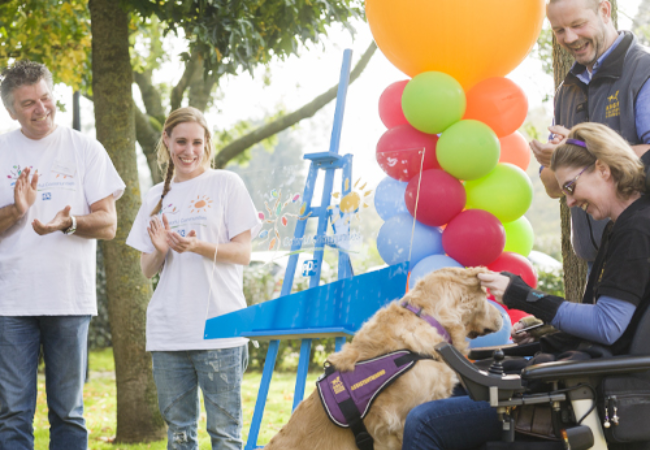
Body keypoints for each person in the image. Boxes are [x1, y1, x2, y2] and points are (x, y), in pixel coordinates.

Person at [403, 122, 650, 450]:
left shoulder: (636, 231)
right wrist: (547, 331)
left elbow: (607, 326)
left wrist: (525, 297)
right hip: (581, 375)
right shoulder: (619, 229)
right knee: (441, 389)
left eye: (571, 187)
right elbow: (607, 318)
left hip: (588, 389)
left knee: (423, 422)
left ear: (602, 169)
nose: (571, 202)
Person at [0, 61, 125, 449]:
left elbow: (108, 224)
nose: (41, 109)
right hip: (11, 302)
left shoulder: (84, 147)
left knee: (68, 412)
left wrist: (67, 225)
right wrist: (17, 211)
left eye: (45, 98)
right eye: (28, 104)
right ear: (10, 110)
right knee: (11, 413)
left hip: (69, 299)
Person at [126, 107, 260, 450]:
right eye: (181, 141)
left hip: (220, 328)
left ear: (207, 144)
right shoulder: (156, 196)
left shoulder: (226, 183)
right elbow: (146, 268)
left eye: (197, 142)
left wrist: (198, 245)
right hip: (169, 332)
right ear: (167, 141)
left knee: (225, 436)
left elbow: (243, 252)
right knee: (180, 436)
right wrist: (159, 249)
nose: (189, 150)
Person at [530, 0, 650, 266]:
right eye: (559, 30)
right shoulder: (566, 91)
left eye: (577, 24)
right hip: (595, 265)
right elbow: (552, 187)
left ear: (605, 11)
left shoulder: (644, 71)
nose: (570, 37)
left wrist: (575, 151)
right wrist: (560, 159)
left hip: (641, 259)